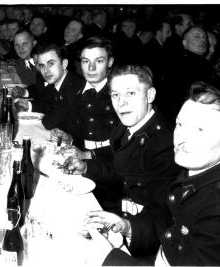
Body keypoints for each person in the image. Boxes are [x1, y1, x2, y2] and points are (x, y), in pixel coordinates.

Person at [79, 81, 220, 266]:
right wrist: (128, 227)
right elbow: (170, 222)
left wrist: (110, 259)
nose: (181, 139)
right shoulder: (194, 171)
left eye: (199, 129)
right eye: (180, 124)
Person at [63, 65, 181, 255]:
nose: (121, 103)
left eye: (131, 93)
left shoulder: (165, 145)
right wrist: (86, 167)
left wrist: (127, 226)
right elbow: (122, 169)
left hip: (145, 240)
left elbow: (165, 215)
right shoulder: (124, 129)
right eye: (115, 95)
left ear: (150, 95)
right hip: (119, 212)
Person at [64, 36, 119, 152]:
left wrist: (89, 155)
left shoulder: (120, 92)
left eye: (98, 61)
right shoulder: (73, 89)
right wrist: (69, 139)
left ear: (110, 62)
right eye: (85, 61)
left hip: (111, 160)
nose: (91, 68)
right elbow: (76, 131)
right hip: (79, 154)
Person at [14, 42, 85, 132]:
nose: (46, 70)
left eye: (51, 63)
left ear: (64, 64)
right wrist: (27, 105)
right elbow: (45, 103)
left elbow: (49, 122)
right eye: (42, 65)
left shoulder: (76, 87)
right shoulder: (56, 83)